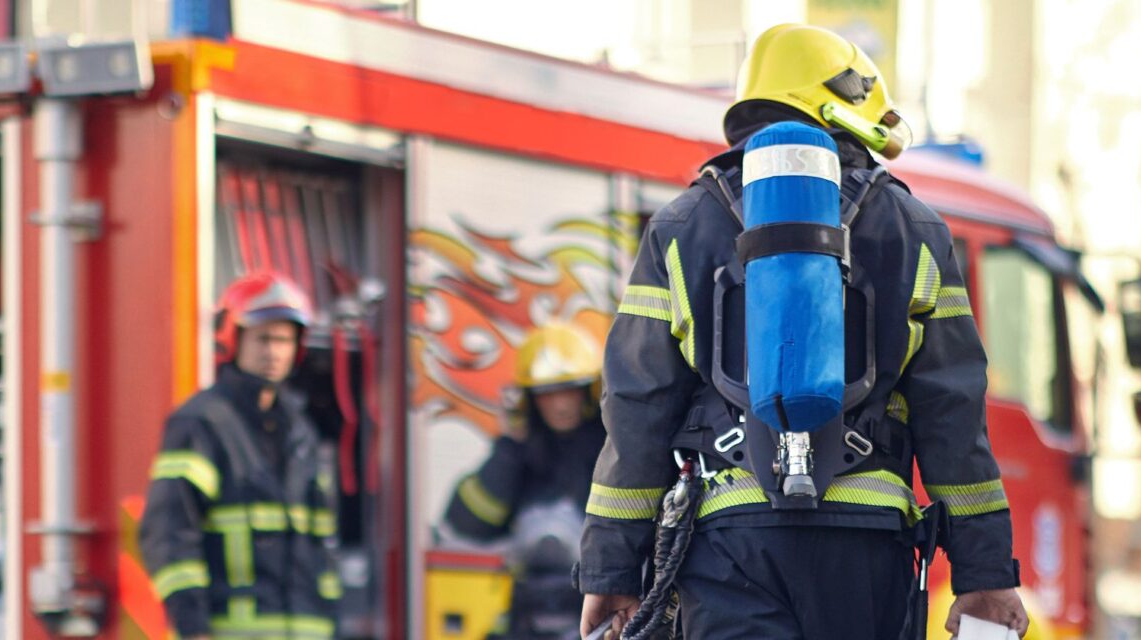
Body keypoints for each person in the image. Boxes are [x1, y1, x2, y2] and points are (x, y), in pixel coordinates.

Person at [578, 23, 1029, 640]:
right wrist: (984, 572)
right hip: (864, 544)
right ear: (848, 101)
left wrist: (609, 571)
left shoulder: (681, 226)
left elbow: (636, 407)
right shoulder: (914, 227)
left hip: (730, 543)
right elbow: (953, 414)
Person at [139, 271, 343, 639]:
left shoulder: (302, 432)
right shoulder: (200, 424)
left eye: (284, 341)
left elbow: (322, 549)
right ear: (232, 339)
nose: (274, 353)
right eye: (263, 339)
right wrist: (192, 626)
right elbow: (168, 534)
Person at [440, 323, 611, 639]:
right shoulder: (522, 451)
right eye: (547, 394)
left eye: (569, 390)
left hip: (599, 605)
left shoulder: (610, 450)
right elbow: (468, 524)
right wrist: (510, 448)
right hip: (528, 609)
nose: (560, 405)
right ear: (530, 399)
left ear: (589, 390)